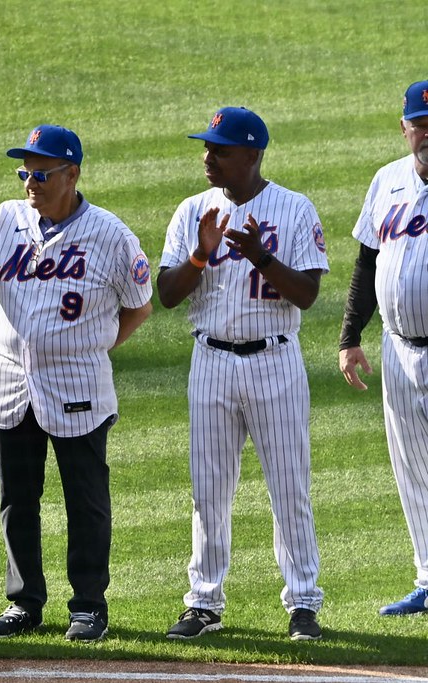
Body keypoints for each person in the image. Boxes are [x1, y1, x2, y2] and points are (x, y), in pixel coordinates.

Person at [0, 124, 153, 642]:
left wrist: (98, 345)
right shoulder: (8, 219)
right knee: (16, 500)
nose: (31, 181)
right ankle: (24, 602)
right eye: (25, 171)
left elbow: (140, 304)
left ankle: (89, 605)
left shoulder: (110, 234)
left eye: (42, 172)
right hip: (10, 385)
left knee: (85, 503)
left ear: (72, 174)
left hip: (79, 387)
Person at [157, 107, 327, 641]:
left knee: (288, 485)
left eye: (221, 150)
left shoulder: (295, 209)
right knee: (208, 489)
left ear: (252, 155)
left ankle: (303, 603)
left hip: (275, 361)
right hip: (210, 360)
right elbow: (166, 294)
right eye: (207, 149)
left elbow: (307, 293)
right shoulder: (192, 210)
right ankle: (203, 602)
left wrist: (260, 256)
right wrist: (202, 256)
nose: (208, 158)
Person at [339, 80, 428, 616]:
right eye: (420, 123)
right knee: (413, 469)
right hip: (397, 351)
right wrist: (350, 337)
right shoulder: (387, 180)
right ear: (405, 128)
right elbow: (367, 263)